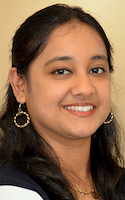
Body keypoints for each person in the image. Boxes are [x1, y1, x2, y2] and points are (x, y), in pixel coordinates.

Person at [0, 3, 124, 200]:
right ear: (20, 85)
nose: (85, 88)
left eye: (96, 69)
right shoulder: (13, 191)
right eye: (61, 71)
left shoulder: (118, 182)